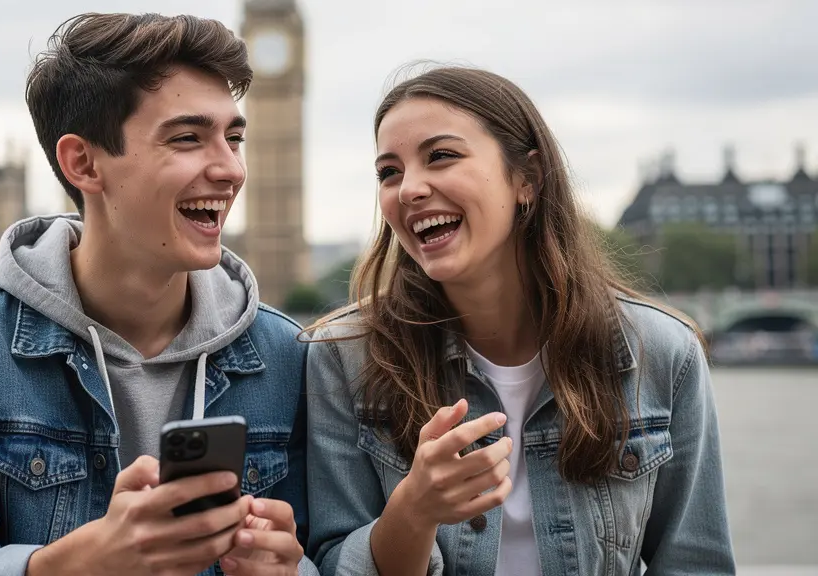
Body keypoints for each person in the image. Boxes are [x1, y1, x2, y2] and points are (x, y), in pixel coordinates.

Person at [0, 12, 312, 576]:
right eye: (187, 138)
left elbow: (325, 553)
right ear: (83, 163)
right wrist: (70, 566)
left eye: (234, 138)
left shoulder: (288, 355)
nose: (231, 168)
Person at [303, 65, 735, 576]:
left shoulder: (662, 353)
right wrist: (413, 512)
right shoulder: (341, 356)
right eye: (389, 172)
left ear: (526, 178)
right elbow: (329, 564)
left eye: (440, 156)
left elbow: (695, 564)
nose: (409, 189)